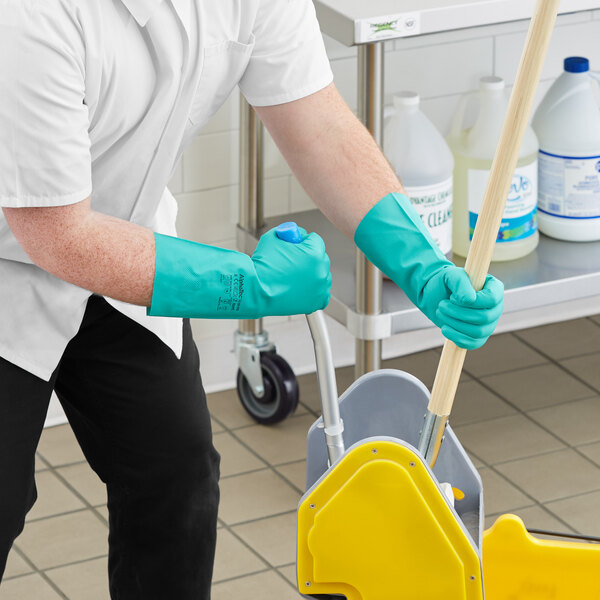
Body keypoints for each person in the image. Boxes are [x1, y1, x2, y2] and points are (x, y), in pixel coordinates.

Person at [0, 0, 504, 597]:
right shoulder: (31, 14)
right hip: (26, 255)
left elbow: (318, 123)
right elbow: (60, 236)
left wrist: (420, 262)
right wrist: (249, 283)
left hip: (123, 245)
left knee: (176, 476)